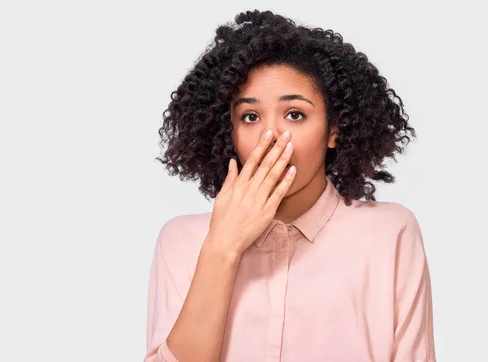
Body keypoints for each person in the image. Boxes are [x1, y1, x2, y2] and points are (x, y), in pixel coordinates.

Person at [145, 9, 436, 362]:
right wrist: (222, 248)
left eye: (295, 114)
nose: (271, 137)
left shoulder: (390, 233)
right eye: (250, 117)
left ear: (333, 130)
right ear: (230, 133)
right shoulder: (183, 241)